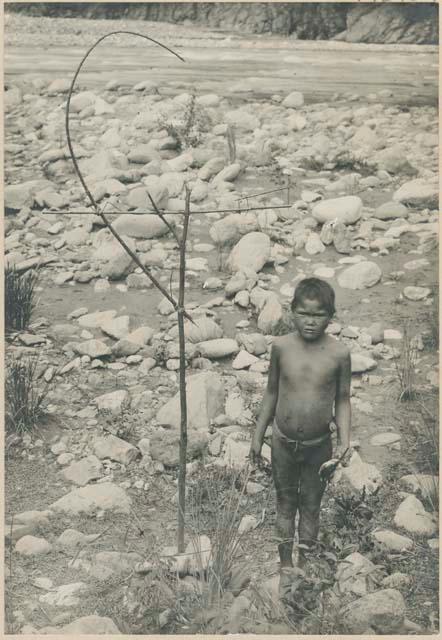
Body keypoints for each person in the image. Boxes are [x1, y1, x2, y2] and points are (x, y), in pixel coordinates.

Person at [249, 277, 352, 594]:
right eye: (304, 313)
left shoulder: (339, 354)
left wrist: (345, 439)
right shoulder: (281, 347)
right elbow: (271, 393)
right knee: (284, 503)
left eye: (319, 314)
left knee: (310, 506)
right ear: (291, 312)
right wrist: (258, 435)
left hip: (318, 447)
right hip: (282, 442)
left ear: (331, 316)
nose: (310, 321)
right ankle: (284, 568)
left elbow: (343, 399)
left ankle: (303, 569)